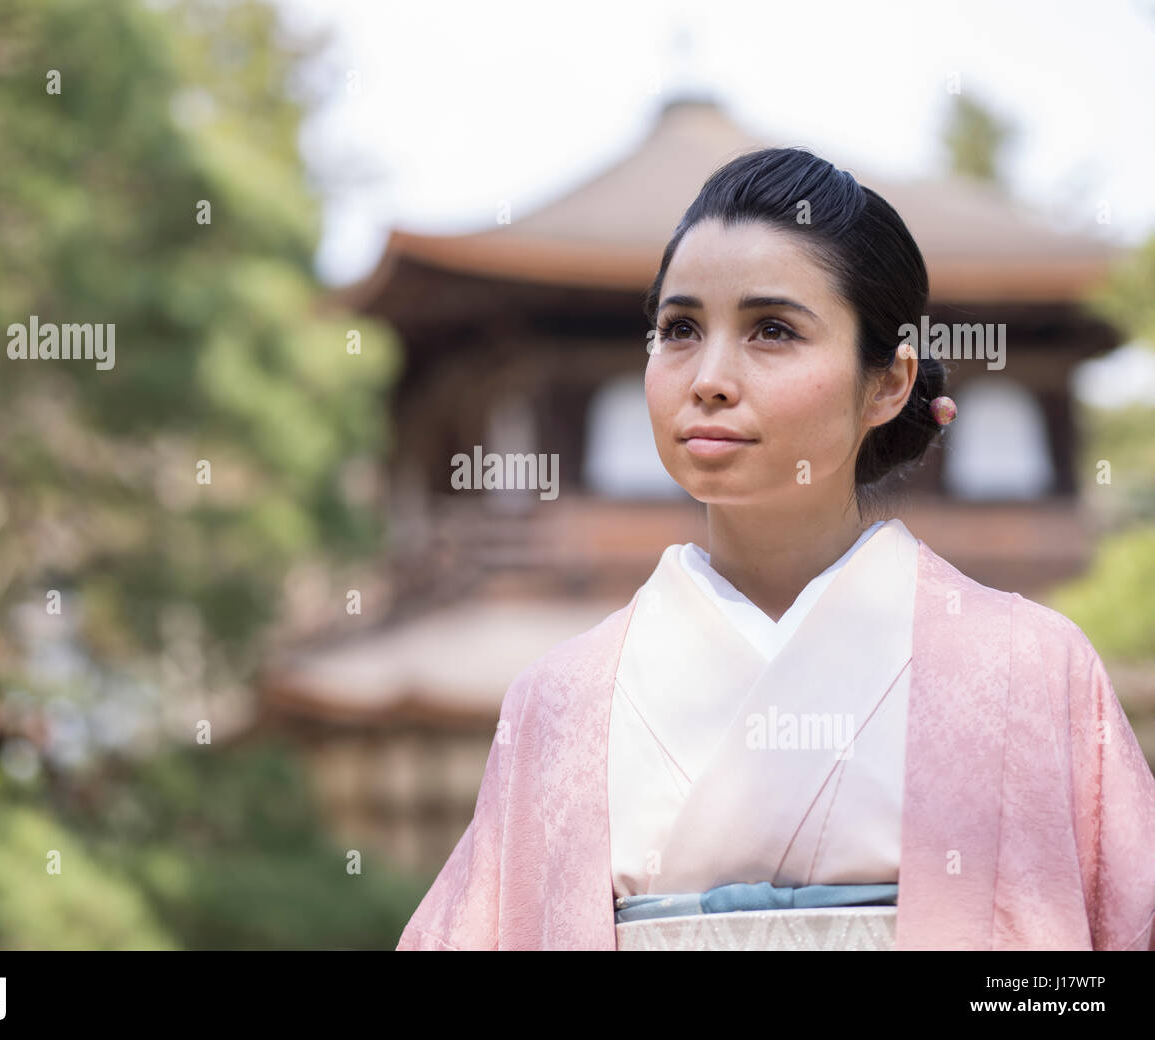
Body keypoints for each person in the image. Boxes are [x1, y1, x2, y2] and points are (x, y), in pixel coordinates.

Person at [396, 147, 1155, 951]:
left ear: (889, 383)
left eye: (772, 330)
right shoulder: (557, 702)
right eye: (679, 329)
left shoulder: (1028, 668)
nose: (710, 377)